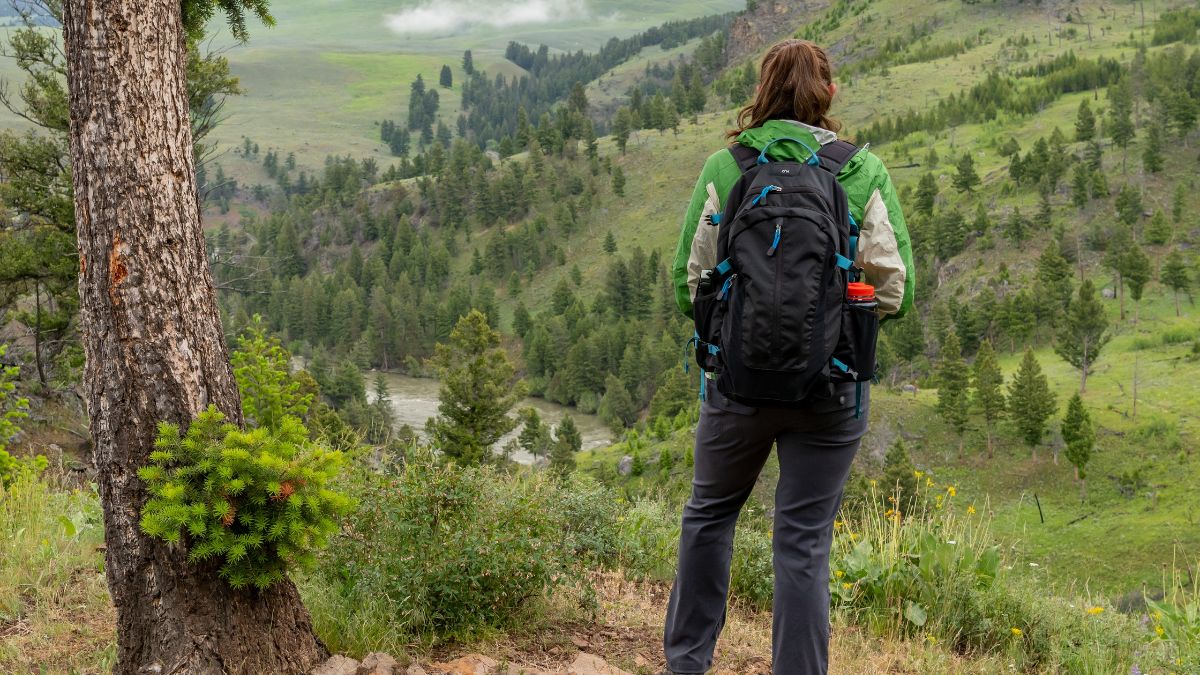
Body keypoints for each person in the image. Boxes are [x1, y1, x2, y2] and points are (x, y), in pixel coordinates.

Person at [664, 39, 915, 674]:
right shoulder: (862, 171)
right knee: (802, 542)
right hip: (830, 392)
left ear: (762, 90)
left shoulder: (728, 166)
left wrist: (738, 327)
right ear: (828, 93)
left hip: (737, 389)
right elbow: (895, 289)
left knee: (709, 517)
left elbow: (685, 280)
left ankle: (687, 663)